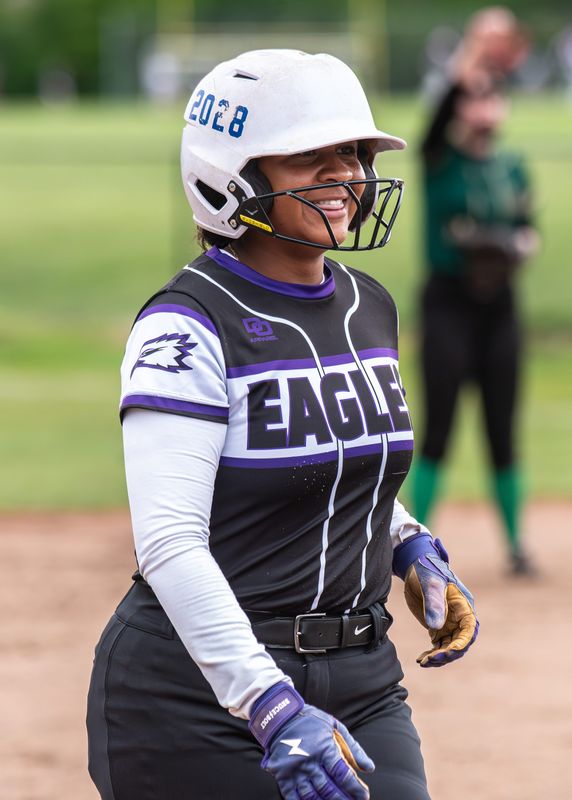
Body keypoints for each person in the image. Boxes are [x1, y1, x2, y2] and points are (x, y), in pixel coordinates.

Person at [86, 49, 478, 800]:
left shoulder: (370, 305)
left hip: (363, 681)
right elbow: (168, 541)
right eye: (310, 157)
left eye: (354, 153)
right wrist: (268, 706)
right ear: (231, 175)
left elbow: (330, 453)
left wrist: (408, 545)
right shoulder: (187, 326)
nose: (348, 177)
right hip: (197, 697)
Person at [412, 9, 539, 576]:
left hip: (500, 309)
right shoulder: (442, 161)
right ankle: (412, 549)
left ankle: (515, 547)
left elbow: (528, 224)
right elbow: (436, 118)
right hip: (447, 306)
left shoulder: (511, 167)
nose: (484, 105)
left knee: (502, 429)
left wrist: (519, 242)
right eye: (474, 97)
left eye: (493, 96)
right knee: (438, 426)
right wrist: (475, 49)